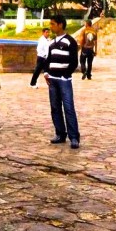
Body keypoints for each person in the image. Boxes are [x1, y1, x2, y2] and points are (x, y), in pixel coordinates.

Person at [44, 14, 80, 149]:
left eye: (53, 24)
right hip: (52, 80)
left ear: (60, 24)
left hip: (64, 80)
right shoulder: (52, 43)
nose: (51, 26)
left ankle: (74, 137)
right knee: (55, 108)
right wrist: (47, 73)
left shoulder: (70, 41)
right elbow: (48, 60)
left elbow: (74, 62)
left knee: (68, 107)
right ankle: (60, 133)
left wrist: (65, 75)